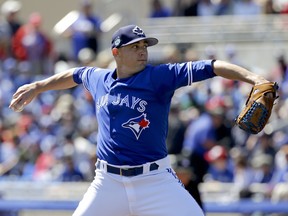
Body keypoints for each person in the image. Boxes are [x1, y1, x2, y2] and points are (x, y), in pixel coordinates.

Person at [9, 24, 273, 216]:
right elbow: (76, 74)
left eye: (144, 45)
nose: (142, 51)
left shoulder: (160, 76)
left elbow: (213, 66)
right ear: (116, 52)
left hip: (155, 180)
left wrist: (255, 79)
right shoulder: (99, 78)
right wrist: (38, 86)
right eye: (134, 46)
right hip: (107, 182)